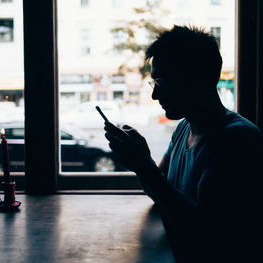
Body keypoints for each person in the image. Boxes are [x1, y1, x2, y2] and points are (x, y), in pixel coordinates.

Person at [104, 25, 263, 262]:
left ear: (195, 78)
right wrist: (139, 163)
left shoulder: (237, 141)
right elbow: (161, 195)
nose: (155, 95)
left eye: (161, 81)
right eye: (153, 82)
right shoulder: (183, 129)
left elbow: (204, 231)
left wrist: (143, 165)